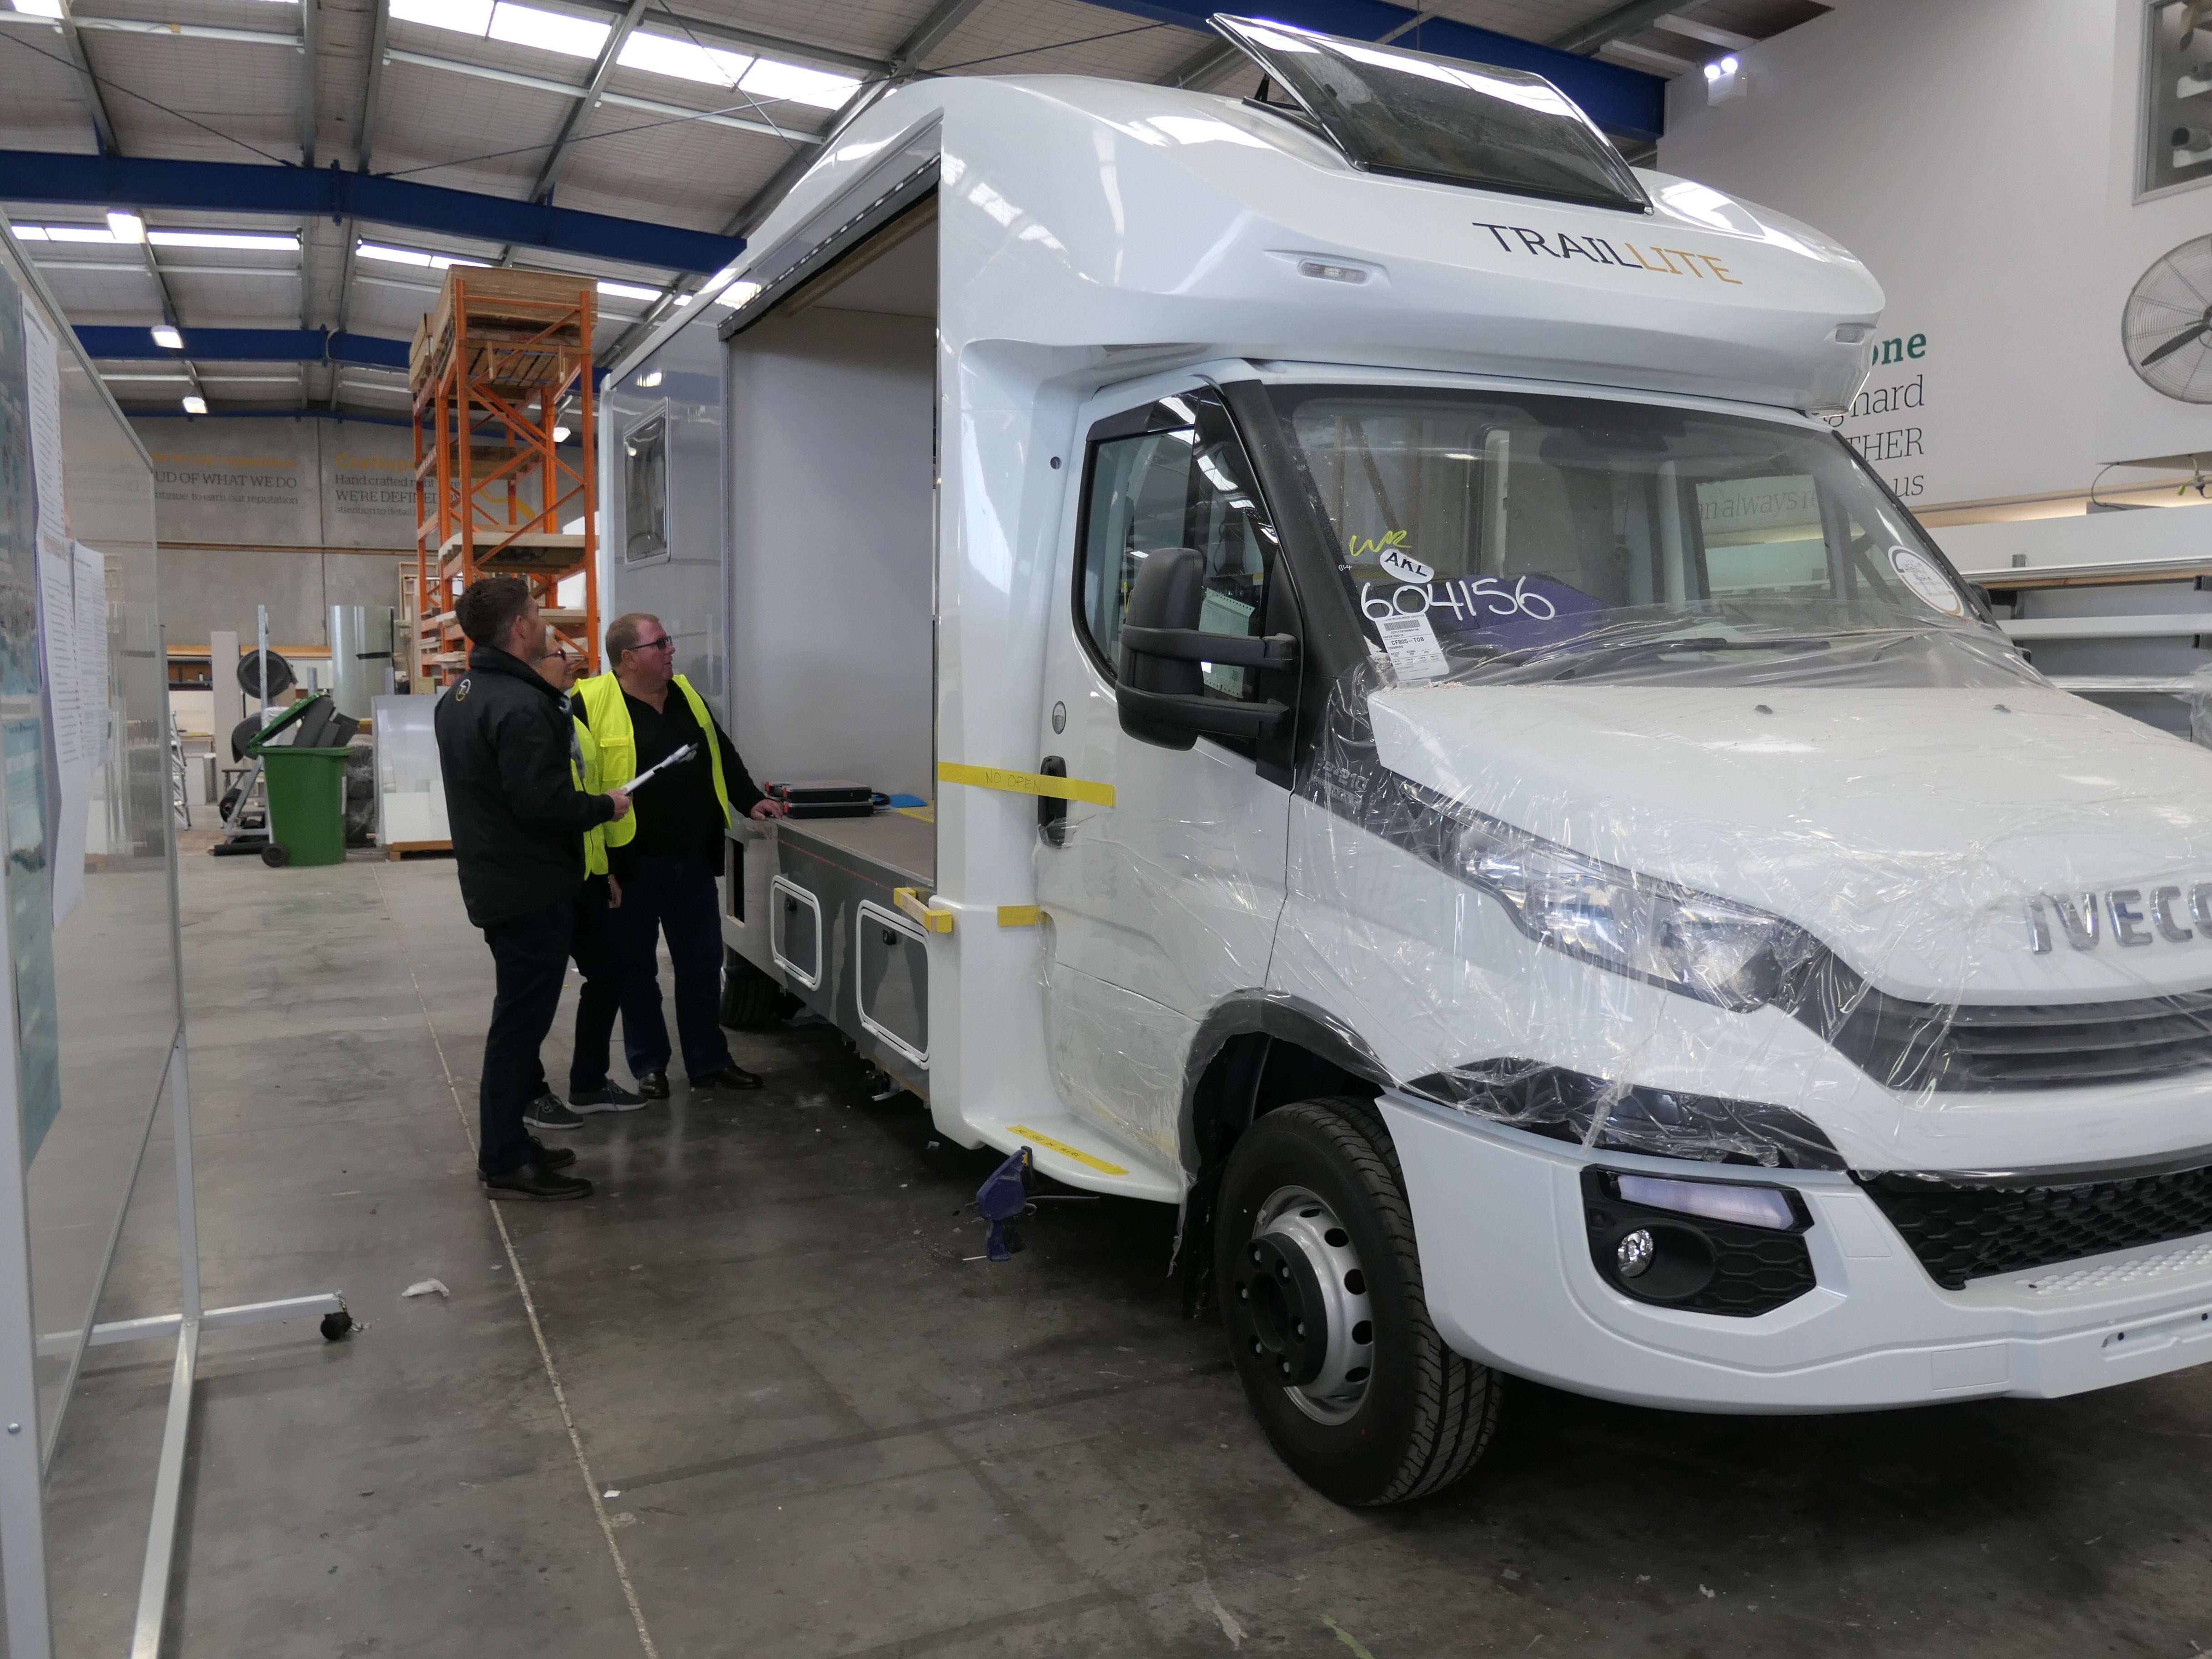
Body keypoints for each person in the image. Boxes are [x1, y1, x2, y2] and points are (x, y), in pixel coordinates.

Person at [435, 578, 631, 1201]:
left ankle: (514, 1146)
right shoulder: (523, 706)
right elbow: (541, 805)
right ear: (520, 628)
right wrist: (605, 805)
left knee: (517, 1021)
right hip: (529, 888)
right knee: (519, 1027)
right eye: (537, 613)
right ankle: (503, 1161)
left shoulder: (462, 696)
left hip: (497, 881)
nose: (544, 622)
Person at [573, 613, 784, 1099]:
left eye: (668, 641)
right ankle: (649, 1066)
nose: (671, 650)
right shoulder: (587, 703)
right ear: (628, 658)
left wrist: (749, 798)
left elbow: (721, 753)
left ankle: (709, 1062)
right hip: (630, 865)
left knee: (700, 964)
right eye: (660, 643)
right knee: (636, 971)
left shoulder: (686, 695)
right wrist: (600, 869)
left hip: (690, 860)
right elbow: (578, 786)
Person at [521, 646, 649, 1131]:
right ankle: (528, 1091)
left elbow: (588, 793)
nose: (568, 659)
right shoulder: (529, 721)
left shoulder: (568, 719)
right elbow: (547, 805)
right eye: (556, 653)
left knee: (610, 972)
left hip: (587, 875)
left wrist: (606, 870)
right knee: (533, 992)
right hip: (545, 879)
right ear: (534, 665)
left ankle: (589, 1083)